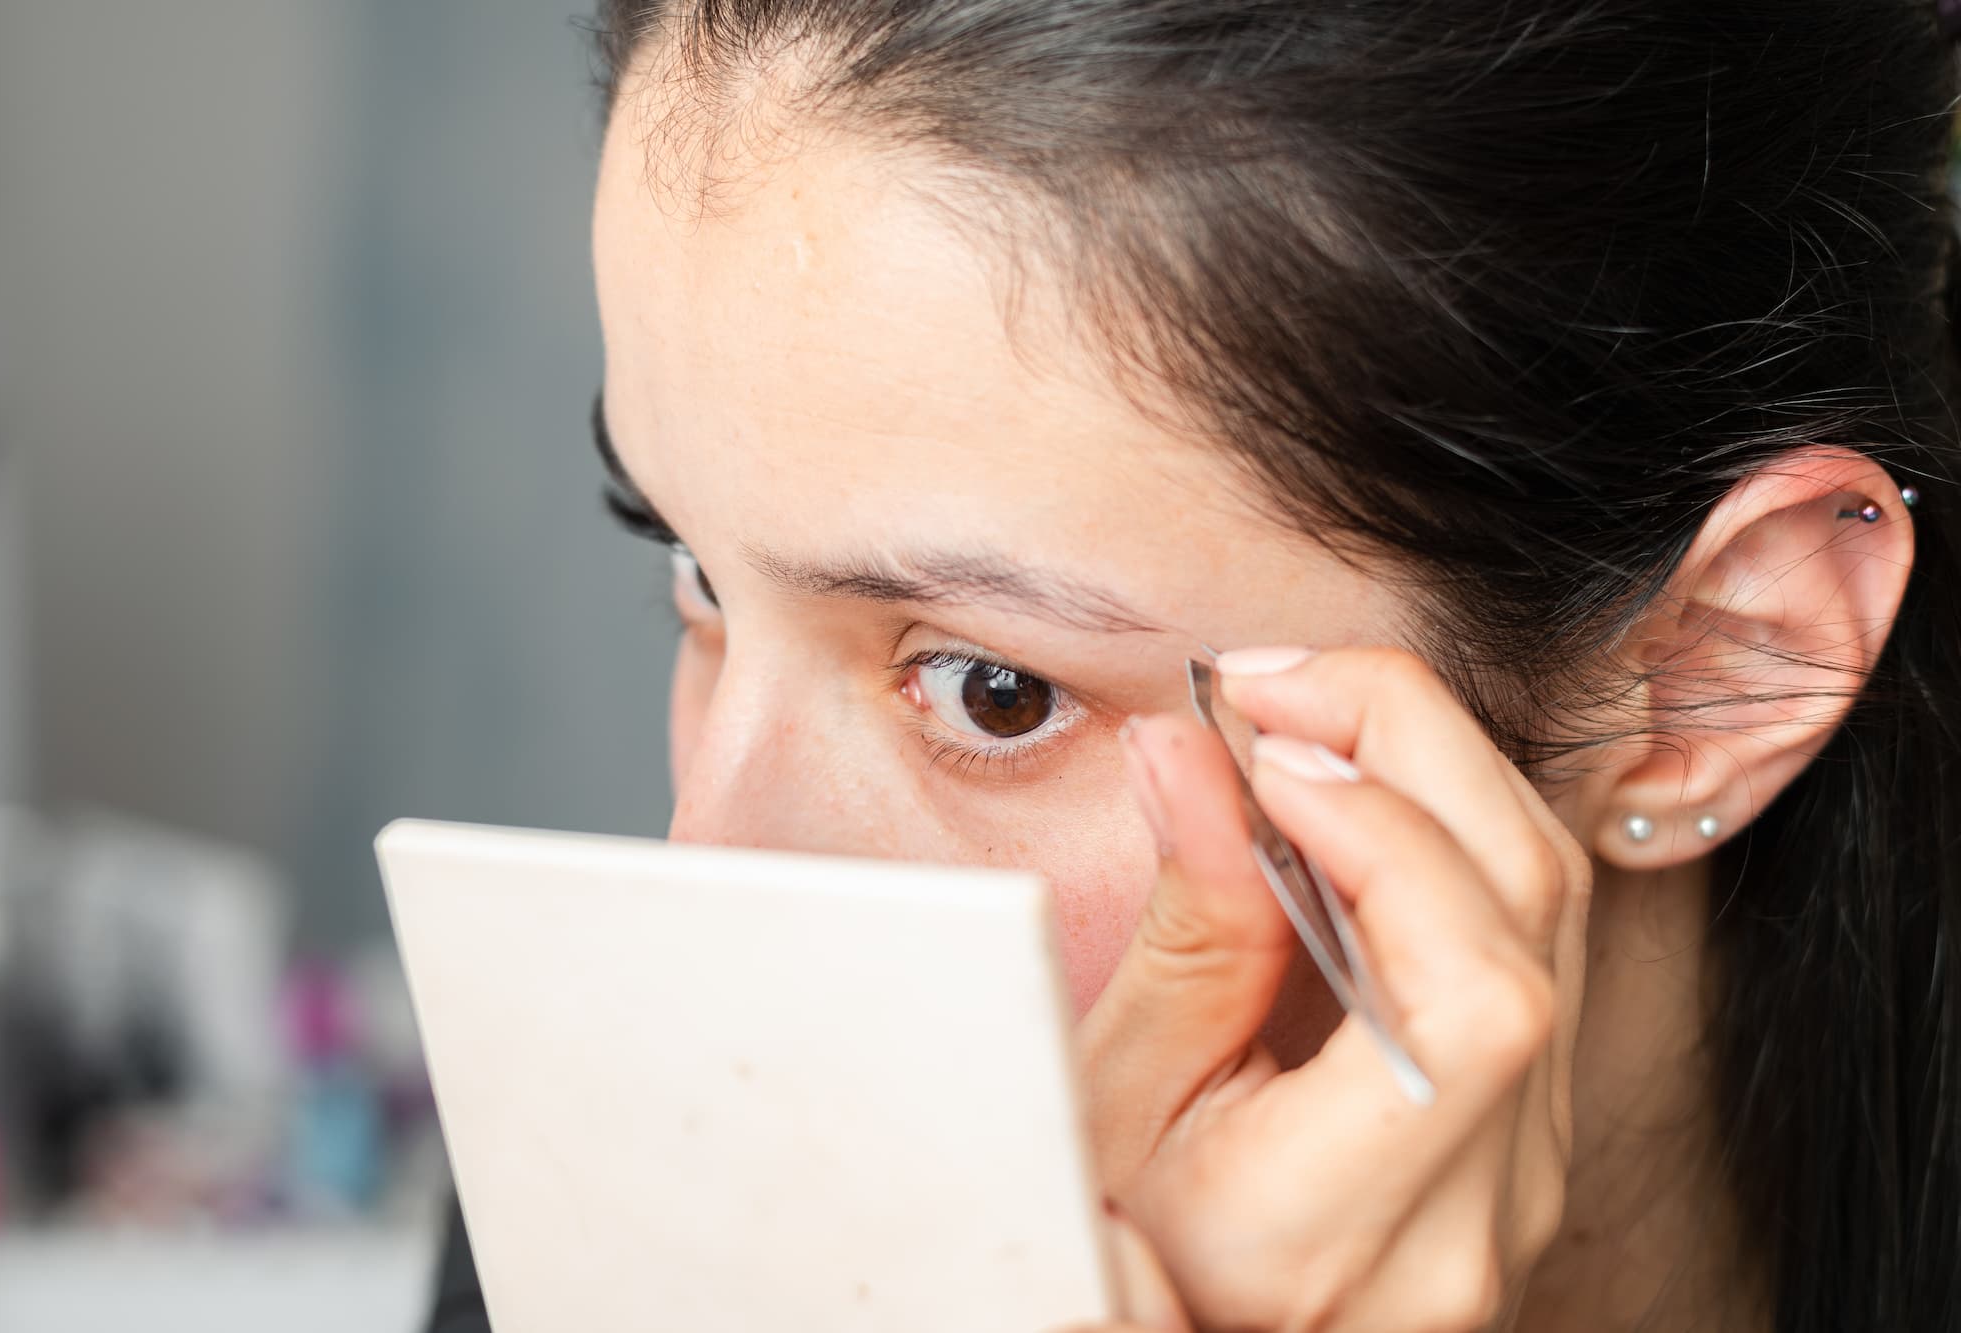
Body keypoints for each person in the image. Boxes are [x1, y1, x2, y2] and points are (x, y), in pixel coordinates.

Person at [425, 2, 1961, 1329]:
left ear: (1714, 663)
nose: (701, 878)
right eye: (695, 567)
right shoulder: (605, 1217)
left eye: (992, 691)